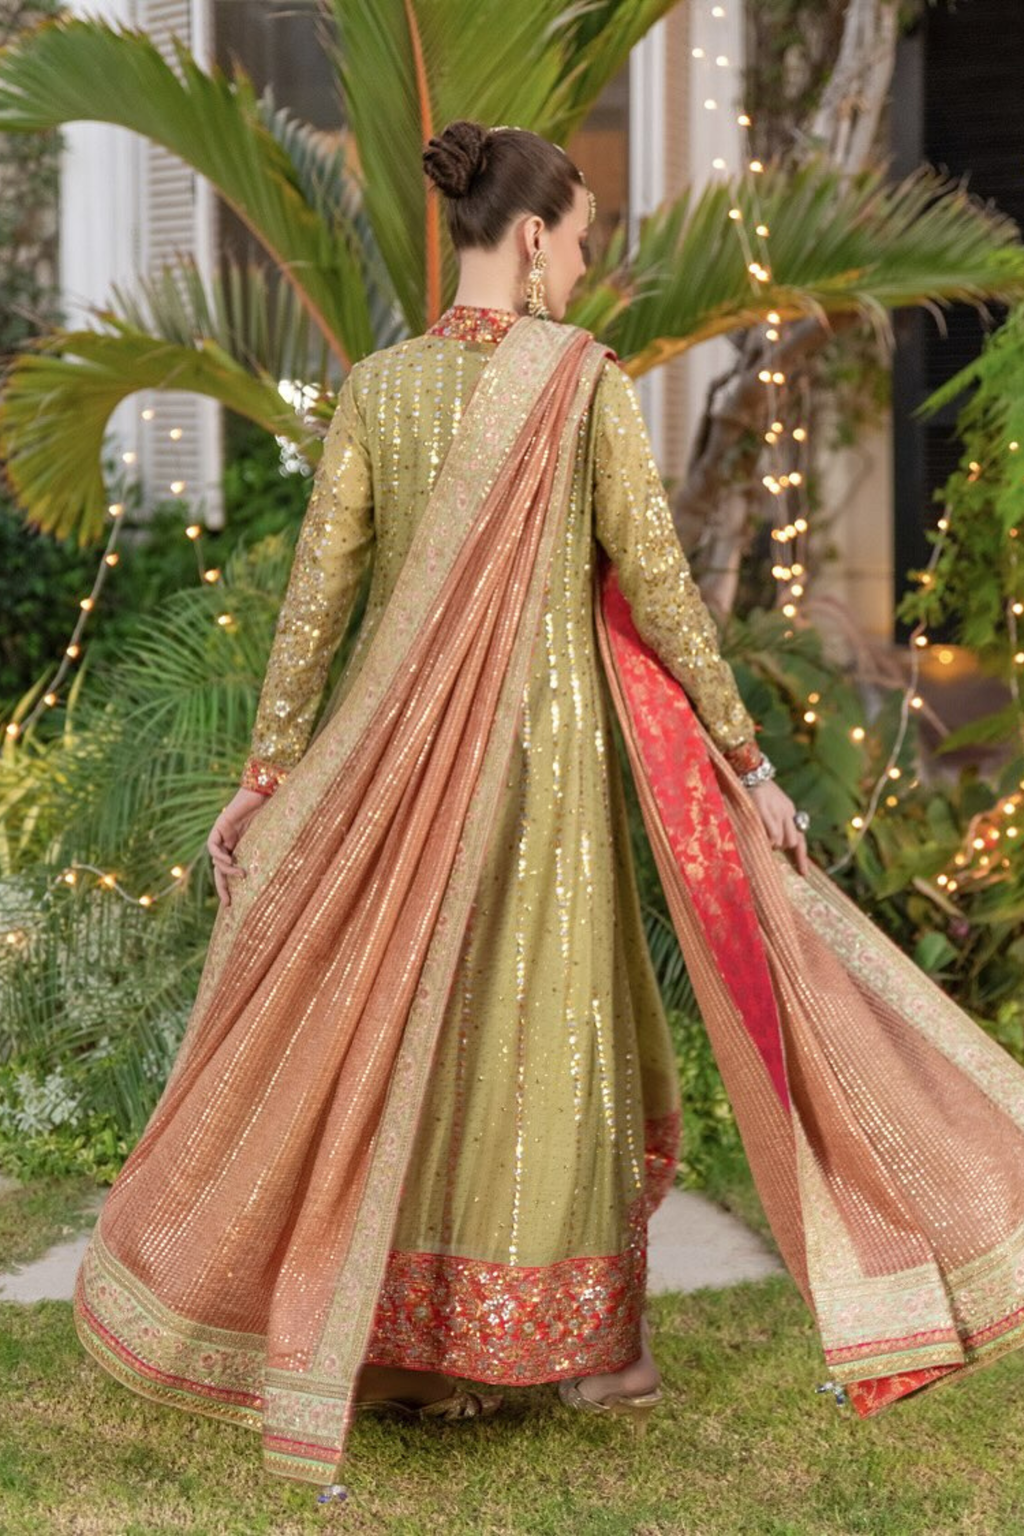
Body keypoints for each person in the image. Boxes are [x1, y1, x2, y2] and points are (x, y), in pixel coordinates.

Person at [73, 120, 1024, 1504]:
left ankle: (403, 1344)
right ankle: (585, 1354)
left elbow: (315, 602)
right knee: (540, 1020)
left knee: (413, 1022)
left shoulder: (379, 389)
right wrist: (748, 762)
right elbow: (659, 576)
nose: (584, 262)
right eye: (579, 237)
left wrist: (270, 772)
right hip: (544, 765)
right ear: (529, 236)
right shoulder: (578, 383)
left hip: (398, 767)